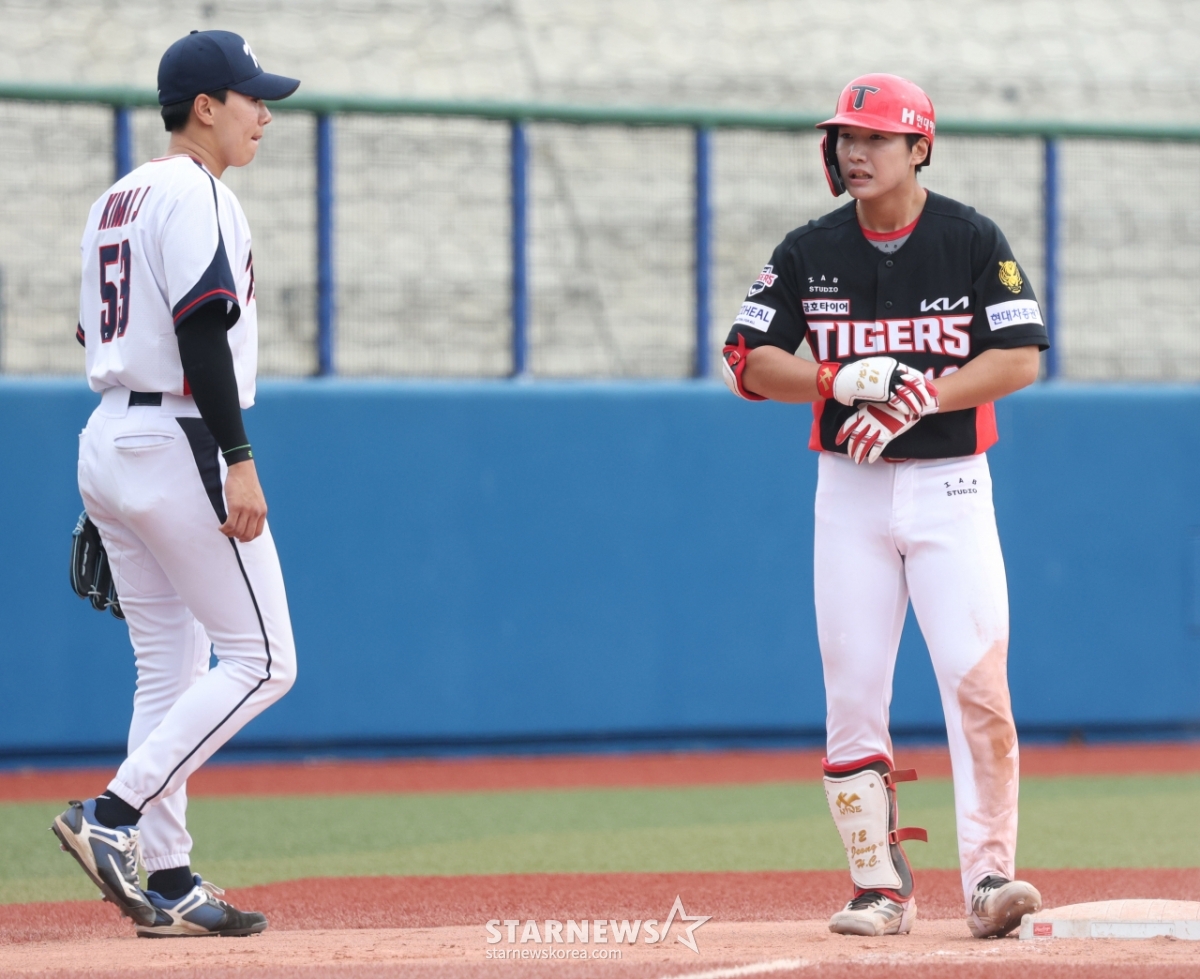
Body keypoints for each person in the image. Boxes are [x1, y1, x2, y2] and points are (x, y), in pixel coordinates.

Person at [721, 74, 1047, 939]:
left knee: (978, 685)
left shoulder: (970, 238)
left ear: (919, 146)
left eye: (874, 137)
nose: (854, 152)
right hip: (850, 490)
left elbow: (1019, 356)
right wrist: (835, 377)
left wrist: (923, 395)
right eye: (845, 137)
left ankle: (988, 878)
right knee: (854, 690)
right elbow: (745, 359)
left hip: (952, 485)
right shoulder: (809, 248)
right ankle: (877, 884)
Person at [52, 30, 300, 938]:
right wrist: (239, 456)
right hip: (179, 434)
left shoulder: (114, 198)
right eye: (250, 97)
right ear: (205, 107)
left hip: (110, 435)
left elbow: (94, 335)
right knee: (265, 660)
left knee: (168, 671)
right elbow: (201, 331)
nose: (263, 113)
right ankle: (111, 815)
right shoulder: (198, 191)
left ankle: (169, 879)